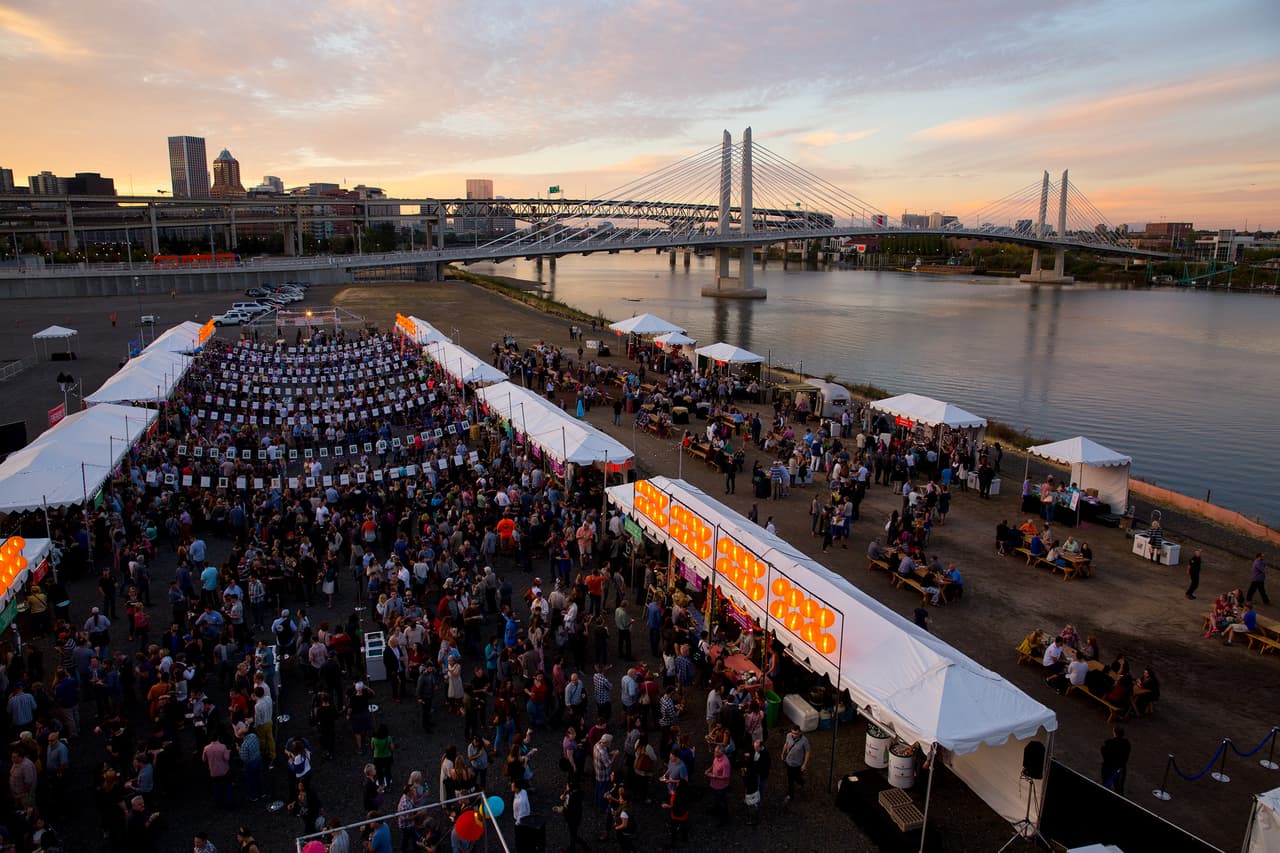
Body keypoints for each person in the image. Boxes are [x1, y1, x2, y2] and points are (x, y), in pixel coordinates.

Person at [781, 724, 810, 803]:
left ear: (800, 732)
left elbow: (807, 752)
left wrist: (804, 764)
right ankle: (790, 795)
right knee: (790, 779)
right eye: (793, 733)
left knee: (797, 777)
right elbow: (786, 744)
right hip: (788, 762)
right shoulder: (788, 736)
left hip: (798, 764)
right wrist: (783, 753)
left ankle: (801, 782)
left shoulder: (804, 740)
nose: (794, 735)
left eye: (796, 733)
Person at [1100, 727, 1131, 794]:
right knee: (1118, 788)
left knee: (1107, 785)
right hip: (1119, 769)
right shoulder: (1126, 744)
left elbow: (1105, 755)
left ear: (1114, 733)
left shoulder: (1110, 743)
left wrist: (1102, 749)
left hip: (1109, 769)